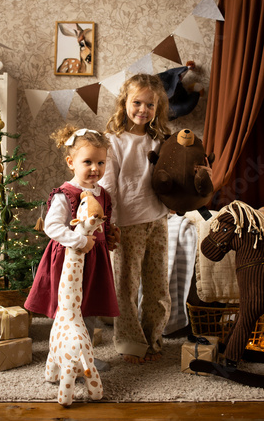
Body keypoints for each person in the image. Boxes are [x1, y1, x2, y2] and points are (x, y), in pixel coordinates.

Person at [24, 125, 119, 371]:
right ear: (71, 162)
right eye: (87, 162)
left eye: (101, 162)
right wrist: (79, 241)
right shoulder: (65, 194)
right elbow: (52, 227)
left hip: (95, 261)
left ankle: (83, 356)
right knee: (70, 310)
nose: (95, 168)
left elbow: (102, 223)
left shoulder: (103, 194)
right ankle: (68, 356)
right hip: (69, 261)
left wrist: (110, 234)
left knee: (88, 309)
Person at [99, 73, 172, 364]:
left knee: (157, 285)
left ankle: (153, 337)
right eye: (137, 102)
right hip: (127, 222)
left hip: (158, 219)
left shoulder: (161, 140)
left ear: (158, 107)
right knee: (126, 285)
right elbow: (108, 184)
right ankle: (130, 342)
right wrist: (110, 222)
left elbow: (170, 178)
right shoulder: (114, 140)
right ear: (125, 103)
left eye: (150, 105)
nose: (143, 109)